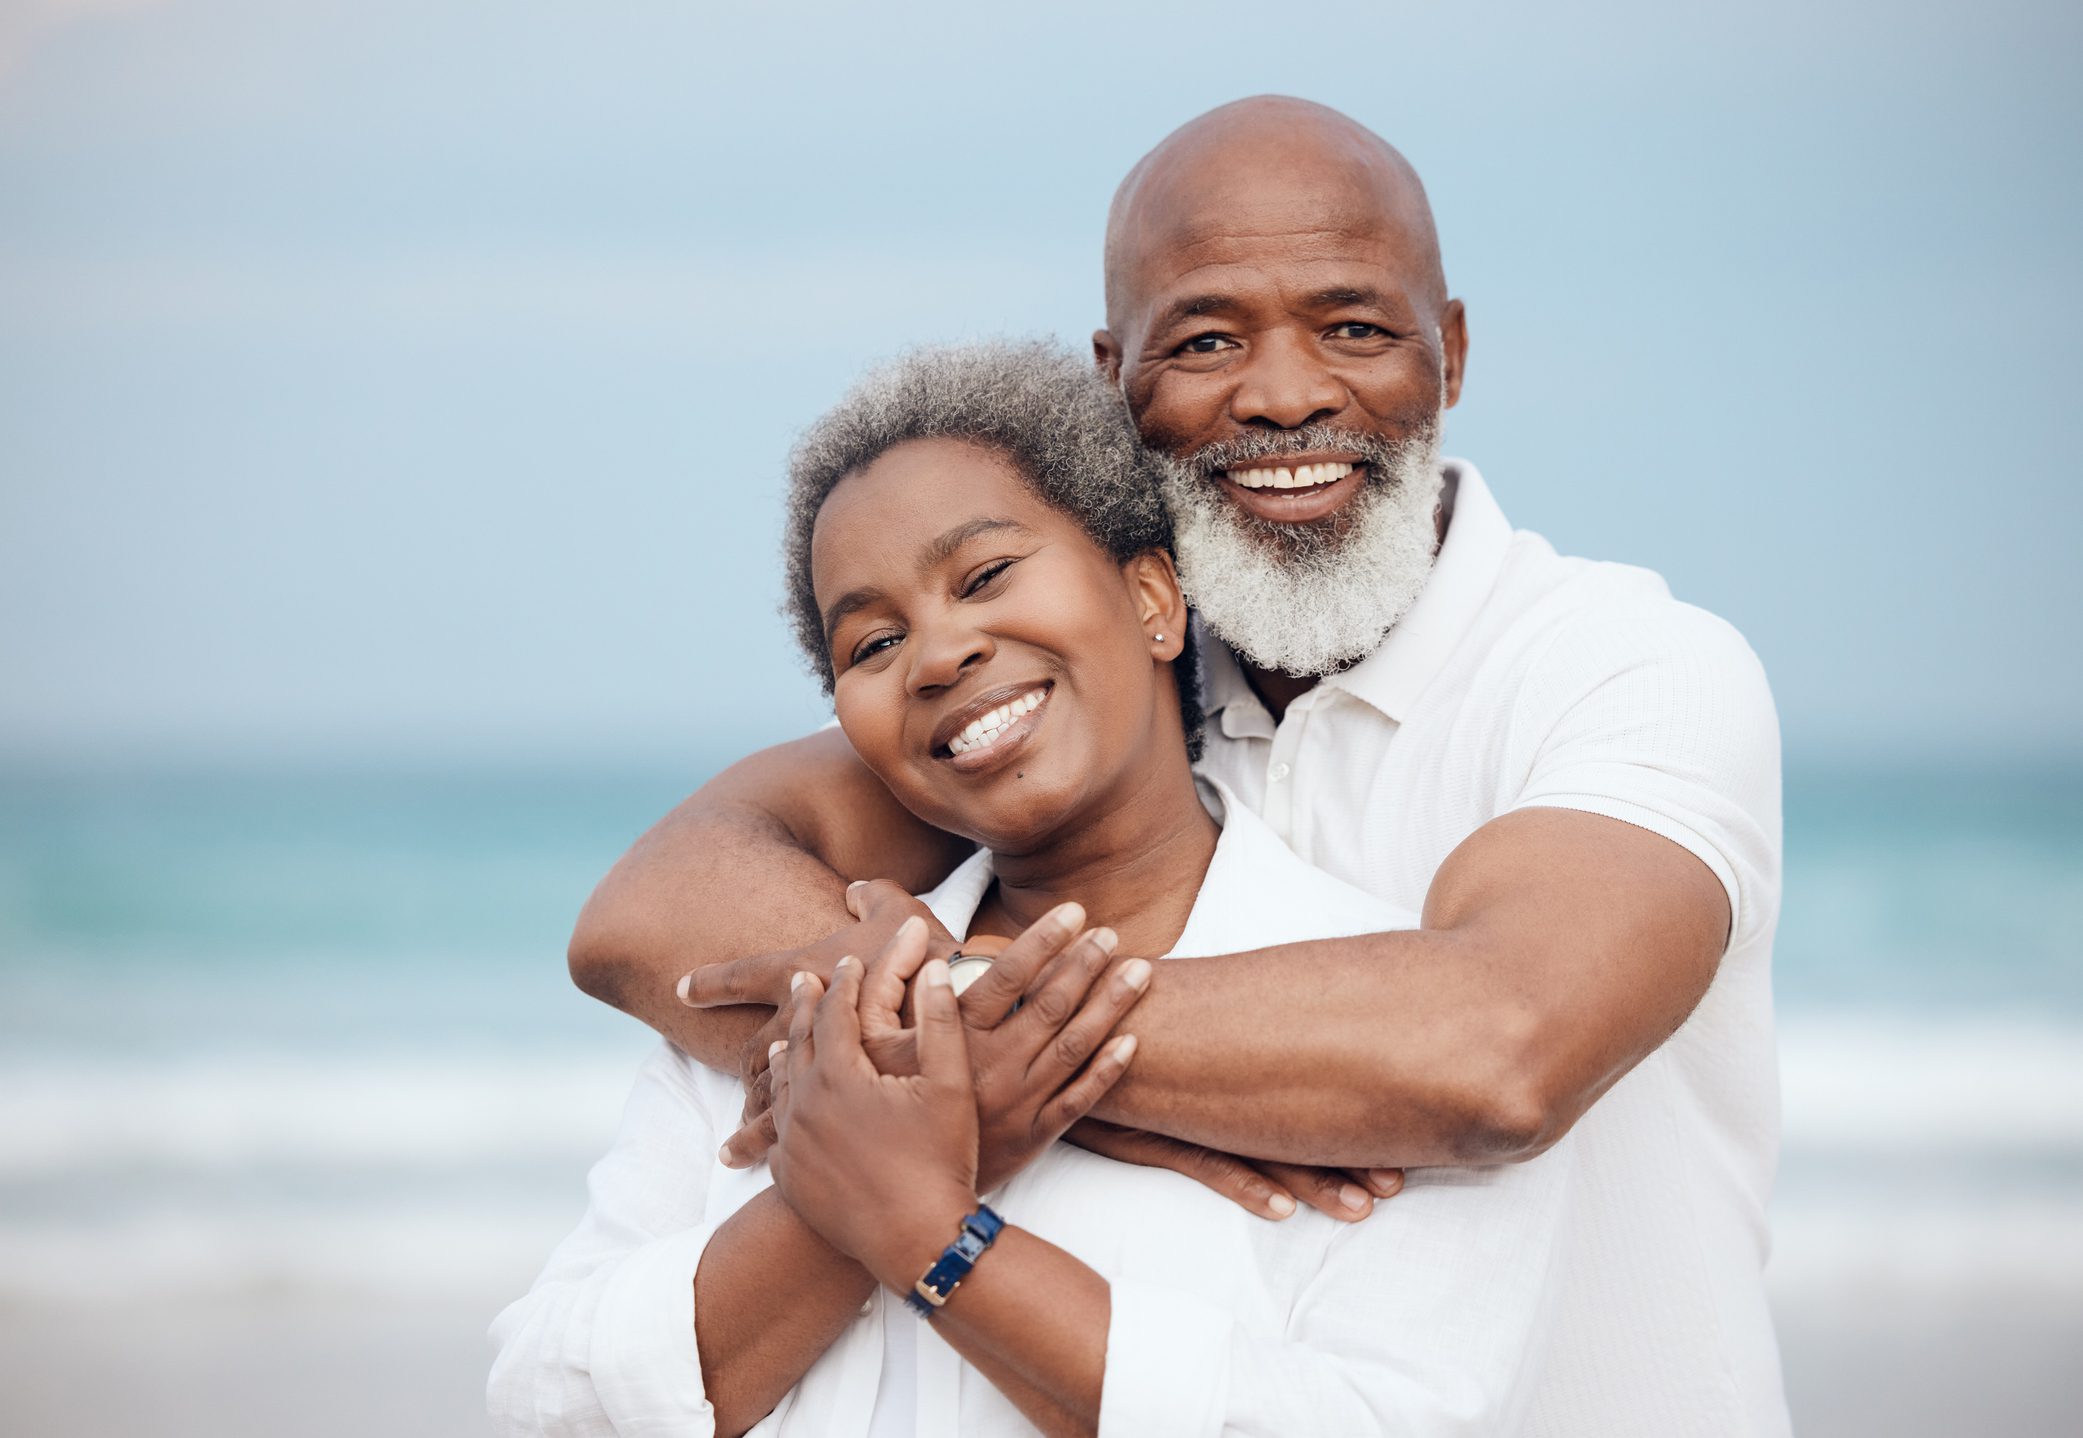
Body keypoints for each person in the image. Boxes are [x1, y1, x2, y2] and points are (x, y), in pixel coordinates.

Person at [570, 98, 1787, 1430]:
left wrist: (970, 1061)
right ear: (1113, 381)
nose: (1281, 394)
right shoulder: (1093, 681)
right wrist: (968, 1073)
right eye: (1204, 339)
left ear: (1445, 351)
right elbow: (659, 906)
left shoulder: (1619, 665)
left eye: (1353, 327)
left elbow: (1498, 1048)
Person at [490, 342, 1579, 1437]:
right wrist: (847, 1196)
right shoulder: (800, 1008)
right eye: (871, 641)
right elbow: (545, 1400)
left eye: (984, 576)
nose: (935, 653)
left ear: (1154, 597)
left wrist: (931, 1231)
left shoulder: (1375, 1040)